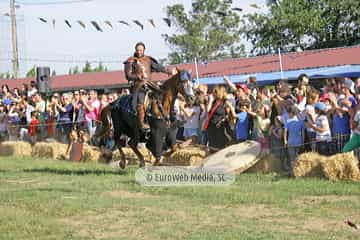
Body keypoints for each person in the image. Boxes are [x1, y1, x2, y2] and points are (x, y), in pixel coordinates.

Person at [124, 42, 175, 130]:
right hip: (138, 86)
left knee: (163, 95)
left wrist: (168, 71)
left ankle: (168, 117)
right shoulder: (130, 61)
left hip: (150, 84)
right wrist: (137, 76)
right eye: (137, 50)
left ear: (144, 50)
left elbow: (159, 67)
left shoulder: (148, 60)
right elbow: (128, 75)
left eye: (141, 50)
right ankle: (142, 122)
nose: (139, 52)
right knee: (141, 100)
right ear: (135, 50)